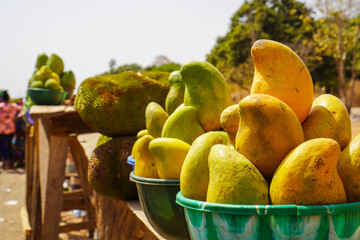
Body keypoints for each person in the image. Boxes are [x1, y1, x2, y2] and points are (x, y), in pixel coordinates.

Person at [0, 91, 22, 169]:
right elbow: (21, 111)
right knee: (9, 145)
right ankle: (10, 162)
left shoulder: (0, 106)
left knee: (2, 146)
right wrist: (16, 118)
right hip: (11, 128)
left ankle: (4, 161)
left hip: (1, 129)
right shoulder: (13, 106)